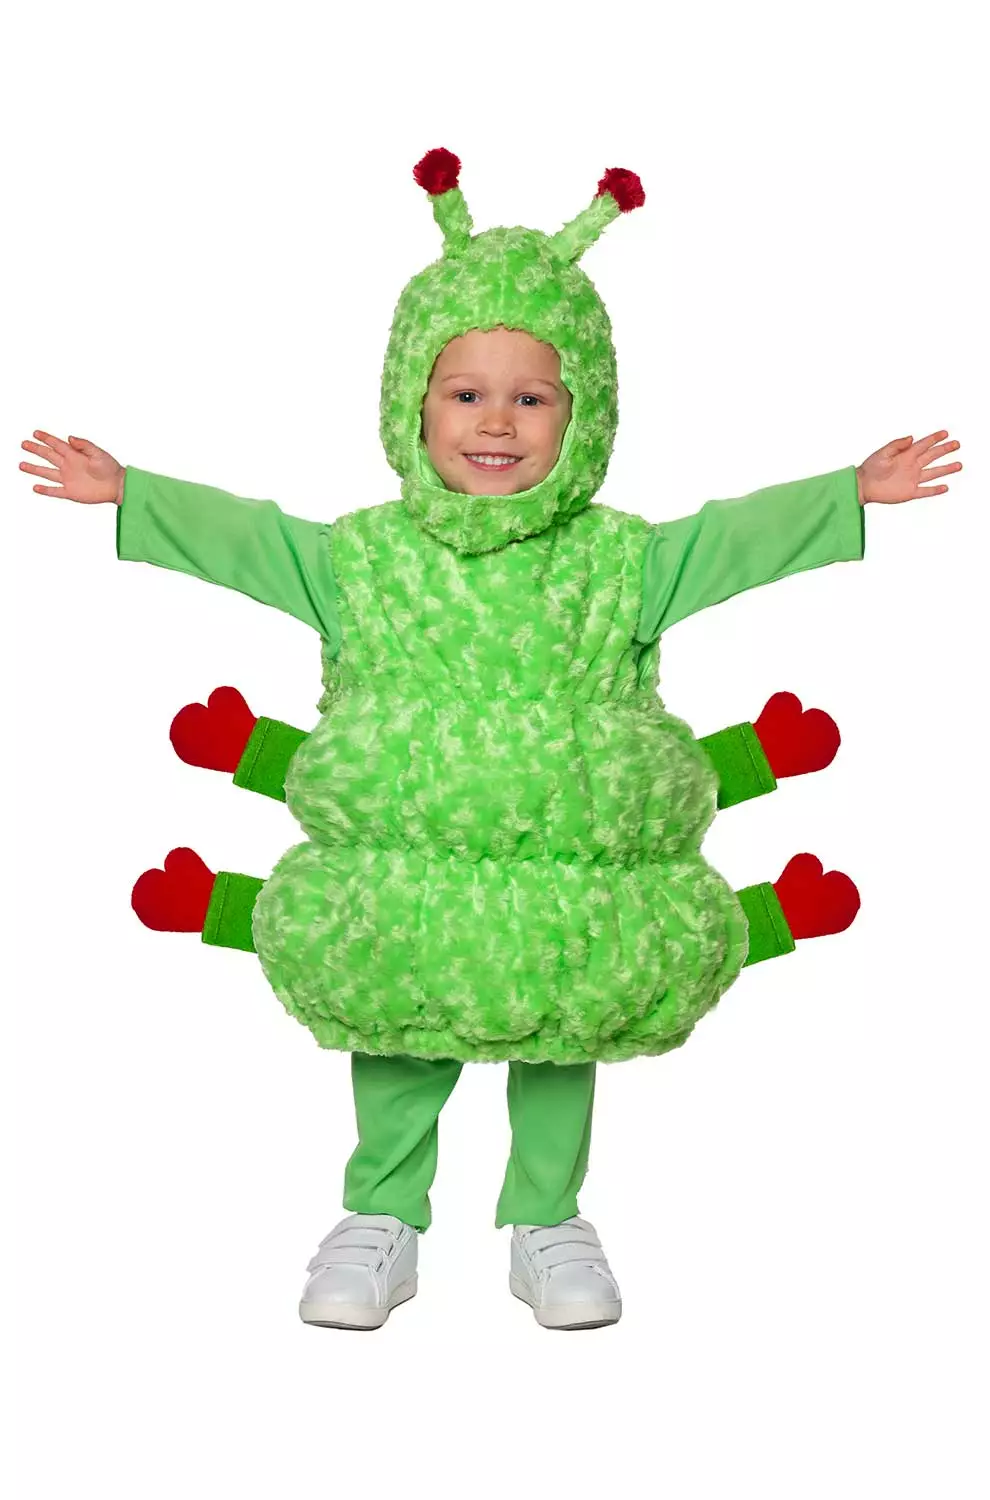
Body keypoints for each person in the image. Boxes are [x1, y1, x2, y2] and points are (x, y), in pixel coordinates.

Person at [19, 148, 962, 1333]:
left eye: (534, 398)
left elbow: (727, 542)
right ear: (410, 405)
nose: (498, 423)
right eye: (465, 394)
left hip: (569, 871)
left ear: (586, 414)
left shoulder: (620, 559)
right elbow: (254, 542)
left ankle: (546, 1220)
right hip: (405, 870)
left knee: (565, 1013)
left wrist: (843, 495)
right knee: (396, 1017)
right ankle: (381, 1216)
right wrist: (137, 495)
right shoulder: (363, 557)